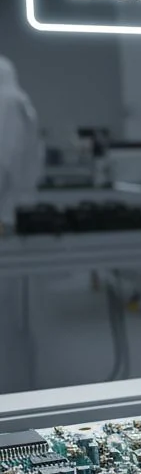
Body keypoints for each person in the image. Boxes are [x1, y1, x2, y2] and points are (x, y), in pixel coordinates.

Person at [0, 56, 43, 393]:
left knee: (9, 318)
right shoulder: (17, 101)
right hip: (13, 218)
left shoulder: (6, 104)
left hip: (6, 223)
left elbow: (3, 166)